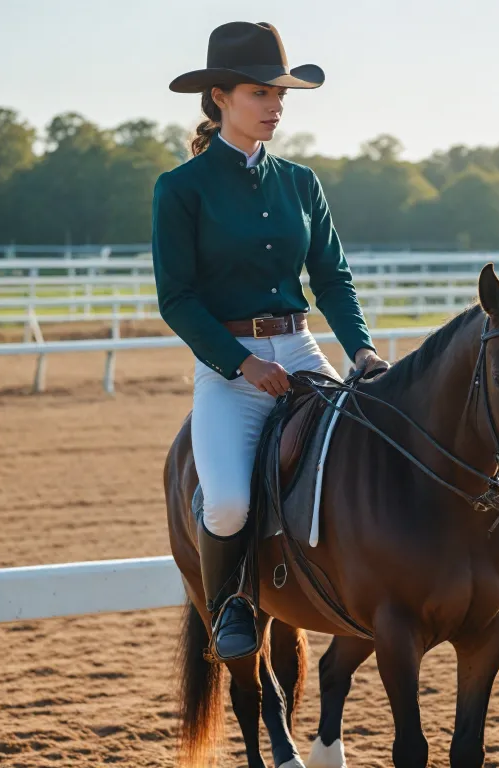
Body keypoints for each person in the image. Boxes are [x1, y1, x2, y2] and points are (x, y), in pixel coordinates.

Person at [152, 21, 388, 662]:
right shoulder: (180, 189)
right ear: (221, 96)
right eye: (262, 93)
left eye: (281, 95)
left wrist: (360, 348)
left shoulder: (302, 183)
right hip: (228, 369)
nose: (276, 106)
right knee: (227, 503)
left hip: (303, 350)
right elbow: (177, 300)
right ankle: (233, 603)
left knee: (366, 461)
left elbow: (332, 280)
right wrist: (241, 364)